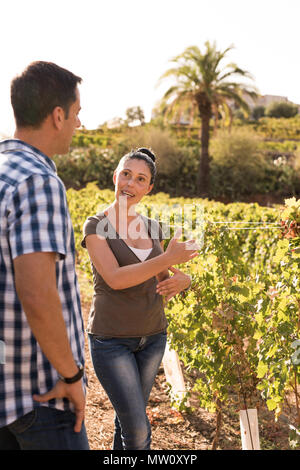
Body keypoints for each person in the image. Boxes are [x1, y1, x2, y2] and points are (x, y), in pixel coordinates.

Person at [82, 147, 198, 450]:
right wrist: (168, 259)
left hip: (153, 337)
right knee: (138, 431)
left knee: (127, 422)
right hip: (111, 340)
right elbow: (116, 279)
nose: (130, 184)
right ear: (115, 176)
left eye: (140, 179)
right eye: (126, 174)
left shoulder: (151, 227)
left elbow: (163, 278)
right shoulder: (95, 226)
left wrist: (183, 280)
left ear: (149, 188)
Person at [0, 61, 89, 450]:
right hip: (41, 398)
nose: (78, 125)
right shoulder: (38, 181)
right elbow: (37, 293)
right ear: (57, 116)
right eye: (76, 115)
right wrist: (71, 377)